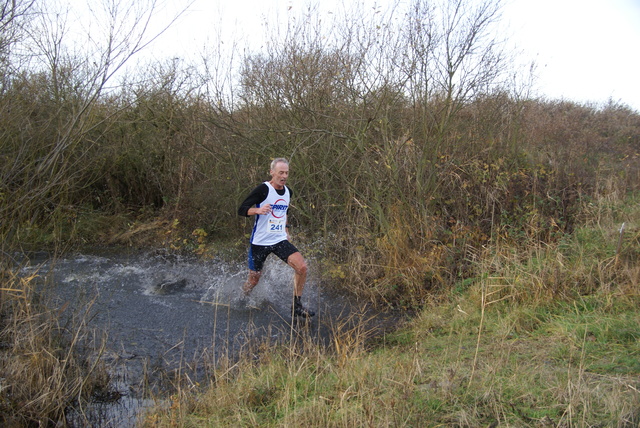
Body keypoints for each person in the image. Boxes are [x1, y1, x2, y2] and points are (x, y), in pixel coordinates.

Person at [237, 158, 315, 318]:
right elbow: (241, 209)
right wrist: (257, 211)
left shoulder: (288, 192)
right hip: (260, 242)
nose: (284, 176)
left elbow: (284, 211)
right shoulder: (263, 190)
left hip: (279, 240)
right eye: (281, 172)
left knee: (302, 268)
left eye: (286, 173)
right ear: (272, 172)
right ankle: (242, 298)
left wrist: (286, 228)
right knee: (254, 279)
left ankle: (297, 306)